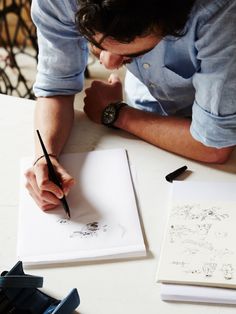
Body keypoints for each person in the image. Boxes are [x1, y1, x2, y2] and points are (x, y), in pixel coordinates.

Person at [26, 0, 236, 210]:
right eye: (96, 45)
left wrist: (115, 113)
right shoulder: (58, 2)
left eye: (131, 56)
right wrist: (46, 157)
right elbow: (56, 87)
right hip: (145, 102)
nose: (109, 64)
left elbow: (214, 145)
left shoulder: (221, 15)